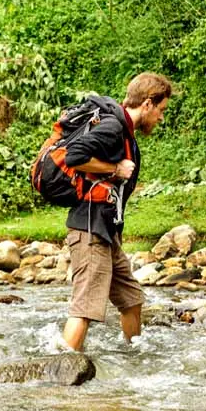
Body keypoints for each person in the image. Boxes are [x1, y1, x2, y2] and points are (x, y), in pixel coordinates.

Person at [61, 72, 172, 351]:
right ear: (147, 104)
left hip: (106, 232)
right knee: (85, 309)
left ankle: (133, 358)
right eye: (161, 110)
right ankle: (59, 373)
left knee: (131, 300)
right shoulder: (112, 127)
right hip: (89, 230)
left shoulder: (125, 132)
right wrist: (115, 169)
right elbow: (74, 156)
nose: (161, 117)